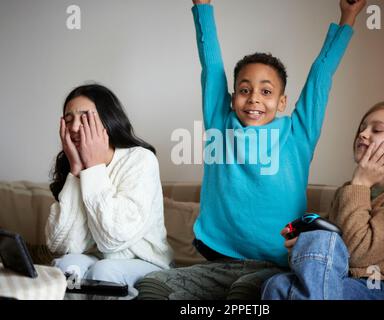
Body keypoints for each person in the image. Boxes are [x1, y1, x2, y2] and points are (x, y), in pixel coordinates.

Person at [136, 0, 366, 299]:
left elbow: (320, 76)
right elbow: (212, 66)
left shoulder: (298, 133)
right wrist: (203, 7)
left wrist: (347, 18)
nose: (254, 98)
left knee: (244, 295)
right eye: (245, 90)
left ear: (282, 102)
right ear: (232, 98)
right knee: (152, 286)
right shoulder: (221, 122)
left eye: (267, 91)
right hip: (219, 261)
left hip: (274, 266)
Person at [262, 101, 384, 300]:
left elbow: (358, 252)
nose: (363, 134)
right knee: (276, 284)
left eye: (376, 130)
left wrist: (360, 182)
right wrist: (303, 240)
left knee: (319, 246)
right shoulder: (348, 191)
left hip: (382, 286)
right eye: (362, 128)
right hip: (339, 278)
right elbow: (334, 243)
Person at [45, 84, 173, 289]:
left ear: (107, 119)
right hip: (97, 258)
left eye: (85, 118)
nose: (75, 127)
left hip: (145, 261)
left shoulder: (141, 159)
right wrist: (77, 172)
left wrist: (93, 167)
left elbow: (113, 239)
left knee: (104, 272)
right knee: (67, 268)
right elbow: (62, 245)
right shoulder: (73, 168)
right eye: (69, 121)